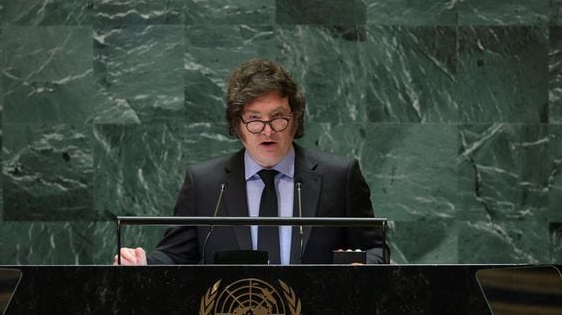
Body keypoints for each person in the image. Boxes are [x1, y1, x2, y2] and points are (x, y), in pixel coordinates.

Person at [114, 58, 388, 265]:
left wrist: (361, 266)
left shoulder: (339, 176)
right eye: (255, 120)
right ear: (238, 125)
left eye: (278, 118)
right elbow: (175, 255)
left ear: (295, 120)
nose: (268, 131)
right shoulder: (206, 183)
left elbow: (377, 250)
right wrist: (142, 263)